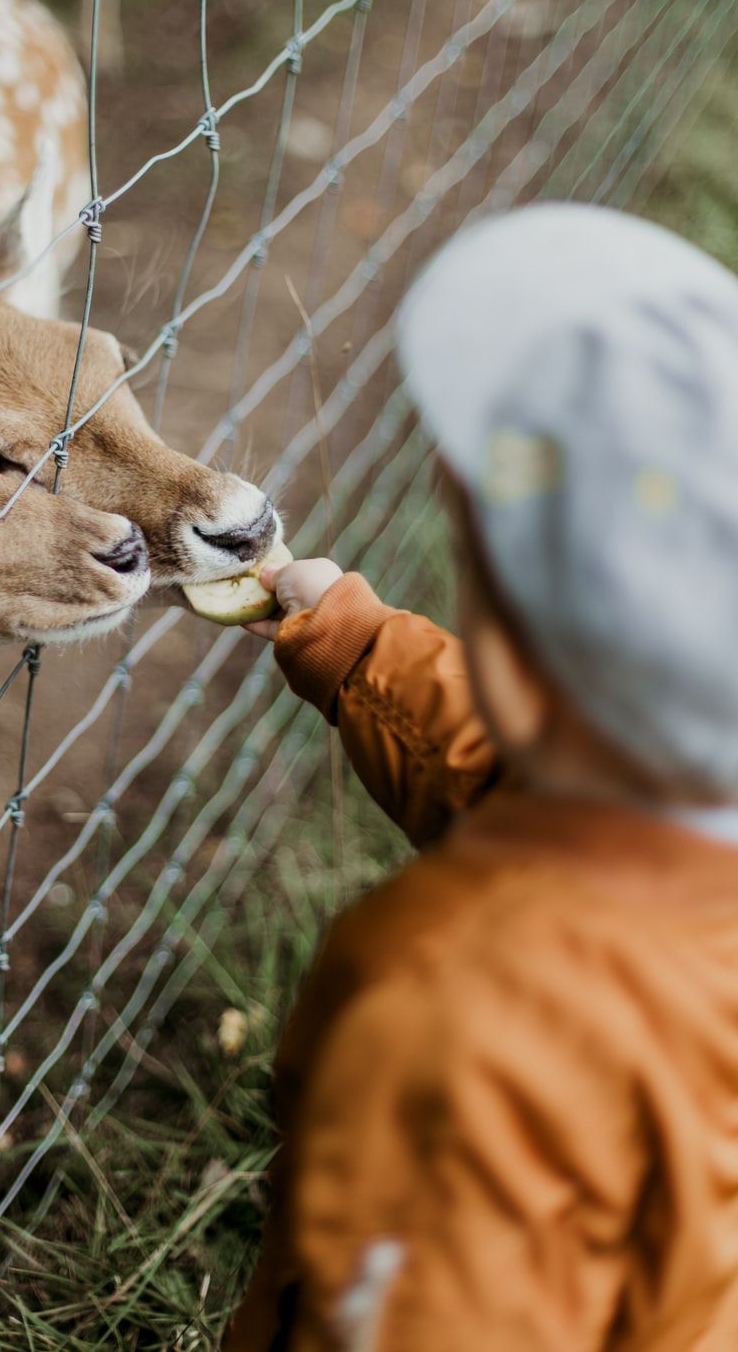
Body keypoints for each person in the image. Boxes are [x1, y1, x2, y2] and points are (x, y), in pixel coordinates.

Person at [224, 203, 738, 1352]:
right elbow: (535, 790)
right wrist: (357, 648)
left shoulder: (468, 1016)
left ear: (513, 637)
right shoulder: (689, 840)